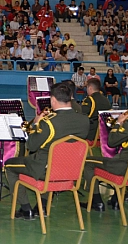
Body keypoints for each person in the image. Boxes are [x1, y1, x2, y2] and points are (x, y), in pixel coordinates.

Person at [6, 83, 90, 219]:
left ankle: (25, 208)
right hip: (72, 170)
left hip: (46, 170)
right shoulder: (84, 120)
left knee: (10, 165)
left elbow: (31, 146)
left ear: (53, 100)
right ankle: (42, 207)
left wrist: (36, 124)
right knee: (52, 161)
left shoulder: (48, 123)